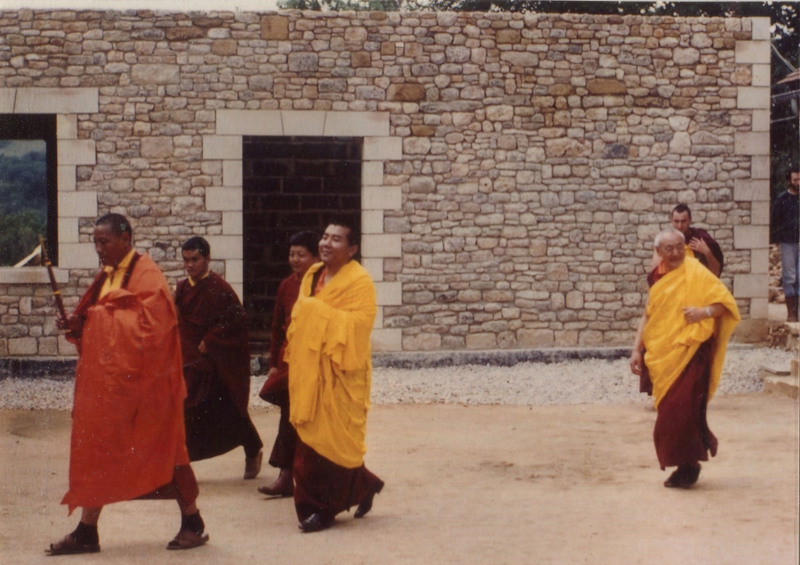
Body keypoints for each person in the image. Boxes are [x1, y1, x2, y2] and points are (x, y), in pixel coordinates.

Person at [48, 214, 208, 555]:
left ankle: (193, 521)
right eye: (95, 242)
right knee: (99, 449)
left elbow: (154, 328)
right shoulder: (109, 275)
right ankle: (86, 531)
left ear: (125, 238)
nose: (98, 249)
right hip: (113, 386)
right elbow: (96, 317)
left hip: (150, 386)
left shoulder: (146, 274)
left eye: (104, 242)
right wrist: (78, 324)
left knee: (166, 450)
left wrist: (97, 320)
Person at [286, 218, 384, 533]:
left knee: (333, 440)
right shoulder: (312, 274)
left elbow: (361, 324)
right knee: (310, 441)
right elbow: (299, 317)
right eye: (325, 237)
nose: (326, 243)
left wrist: (315, 312)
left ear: (352, 249)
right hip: (311, 370)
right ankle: (362, 487)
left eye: (336, 239)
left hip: (341, 372)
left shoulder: (360, 281)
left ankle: (322, 509)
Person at [630, 227, 740, 489]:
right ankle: (687, 464)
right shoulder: (658, 278)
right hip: (664, 353)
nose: (676, 253)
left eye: (680, 247)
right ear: (659, 252)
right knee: (672, 409)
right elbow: (648, 314)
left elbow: (726, 305)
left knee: (680, 408)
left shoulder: (696, 272)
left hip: (693, 350)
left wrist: (703, 312)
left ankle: (688, 466)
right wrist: (636, 349)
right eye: (669, 248)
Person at [175, 236, 263, 478]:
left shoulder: (219, 288)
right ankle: (181, 463)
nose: (190, 265)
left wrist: (212, 339)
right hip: (189, 359)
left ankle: (252, 448)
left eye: (195, 259)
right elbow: (177, 320)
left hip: (214, 362)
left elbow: (237, 320)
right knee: (186, 410)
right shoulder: (181, 288)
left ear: (207, 258)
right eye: (186, 260)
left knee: (229, 410)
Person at [258, 231, 320, 497]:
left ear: (316, 257)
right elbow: (277, 328)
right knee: (289, 415)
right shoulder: (286, 286)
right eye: (292, 254)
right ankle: (285, 475)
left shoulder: (324, 285)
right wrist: (274, 363)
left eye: (301, 255)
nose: (294, 259)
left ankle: (308, 478)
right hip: (290, 360)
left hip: (315, 362)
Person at [650, 204, 724, 277]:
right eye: (676, 221)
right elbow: (655, 272)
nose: (680, 226)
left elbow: (715, 273)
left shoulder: (701, 238)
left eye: (683, 221)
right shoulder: (664, 240)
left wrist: (707, 252)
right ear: (671, 220)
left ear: (690, 220)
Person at [771, 166, 800, 322]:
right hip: (788, 242)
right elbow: (775, 220)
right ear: (789, 181)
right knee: (790, 276)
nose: (798, 183)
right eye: (795, 180)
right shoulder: (782, 199)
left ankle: (798, 312)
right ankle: (791, 313)